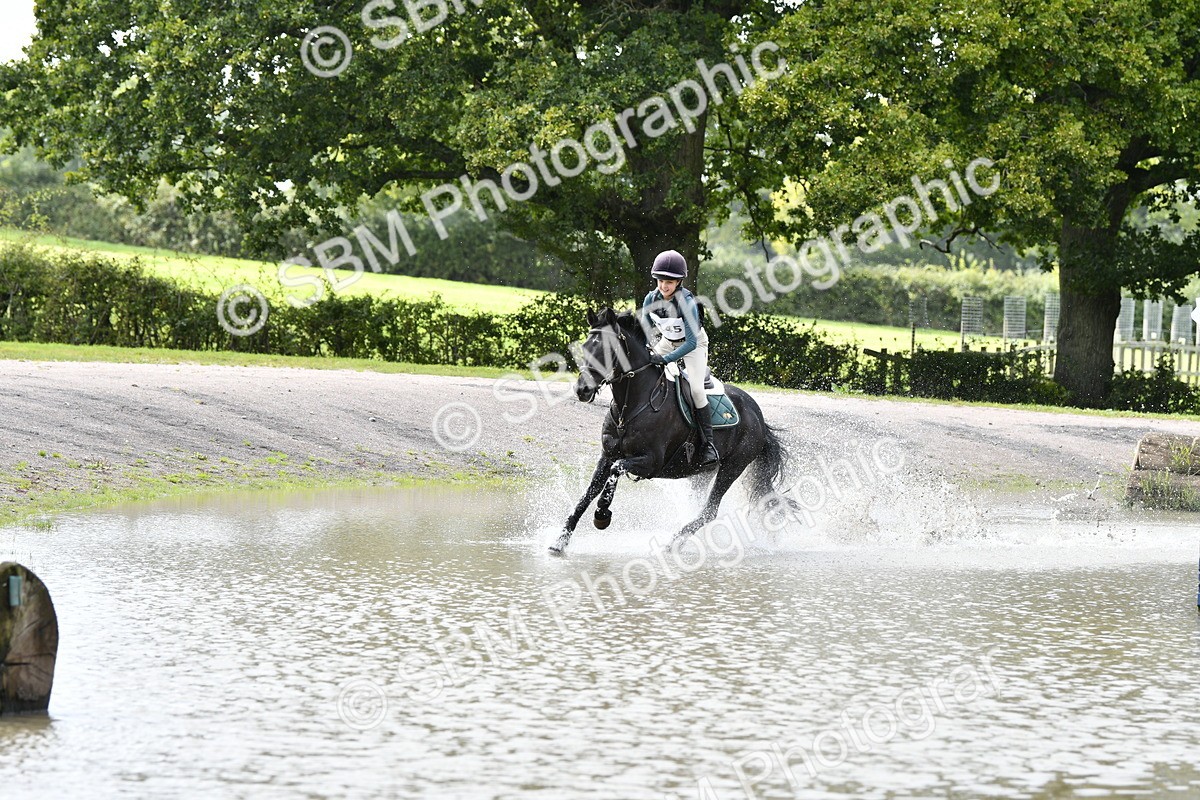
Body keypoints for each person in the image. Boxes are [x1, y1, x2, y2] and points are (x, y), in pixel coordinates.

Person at [640, 249, 719, 466]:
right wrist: (649, 350)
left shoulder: (687, 303)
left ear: (679, 282)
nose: (664, 286)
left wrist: (666, 360)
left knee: (695, 389)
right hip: (667, 341)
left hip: (693, 345)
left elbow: (691, 343)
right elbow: (645, 328)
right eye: (661, 280)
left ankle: (708, 445)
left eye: (670, 282)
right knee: (643, 369)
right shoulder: (650, 298)